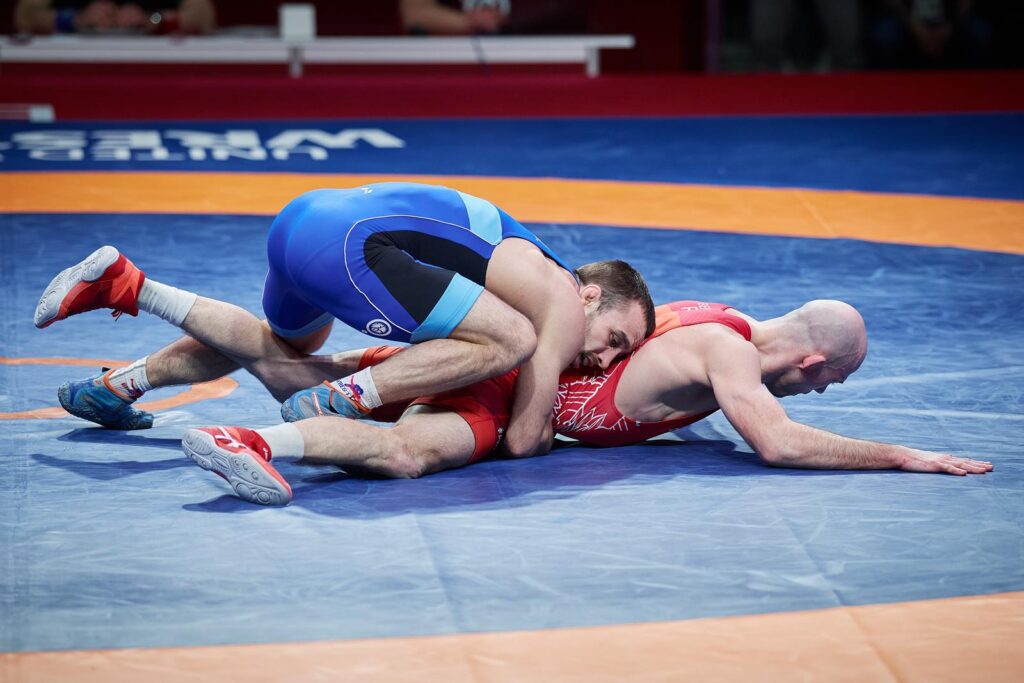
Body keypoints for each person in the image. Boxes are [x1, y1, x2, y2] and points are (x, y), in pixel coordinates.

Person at [35, 182, 655, 462]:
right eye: (615, 340)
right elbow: (523, 439)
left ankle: (125, 348)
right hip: (351, 244)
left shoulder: (526, 263)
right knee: (512, 339)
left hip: (305, 221)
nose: (603, 360)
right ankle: (342, 399)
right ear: (590, 293)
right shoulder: (560, 301)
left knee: (279, 349)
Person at [178, 298, 990, 505]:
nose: (816, 392)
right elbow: (778, 443)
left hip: (500, 365)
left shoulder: (710, 317)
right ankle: (252, 441)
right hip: (502, 390)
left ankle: (136, 297)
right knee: (404, 452)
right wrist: (898, 454)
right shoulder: (730, 354)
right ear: (811, 360)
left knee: (296, 369)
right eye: (825, 383)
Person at [14, 0, 216, 35]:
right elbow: (24, 15)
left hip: (150, 64)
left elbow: (204, 16)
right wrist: (75, 19)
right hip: (73, 63)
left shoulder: (152, 18)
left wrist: (153, 20)